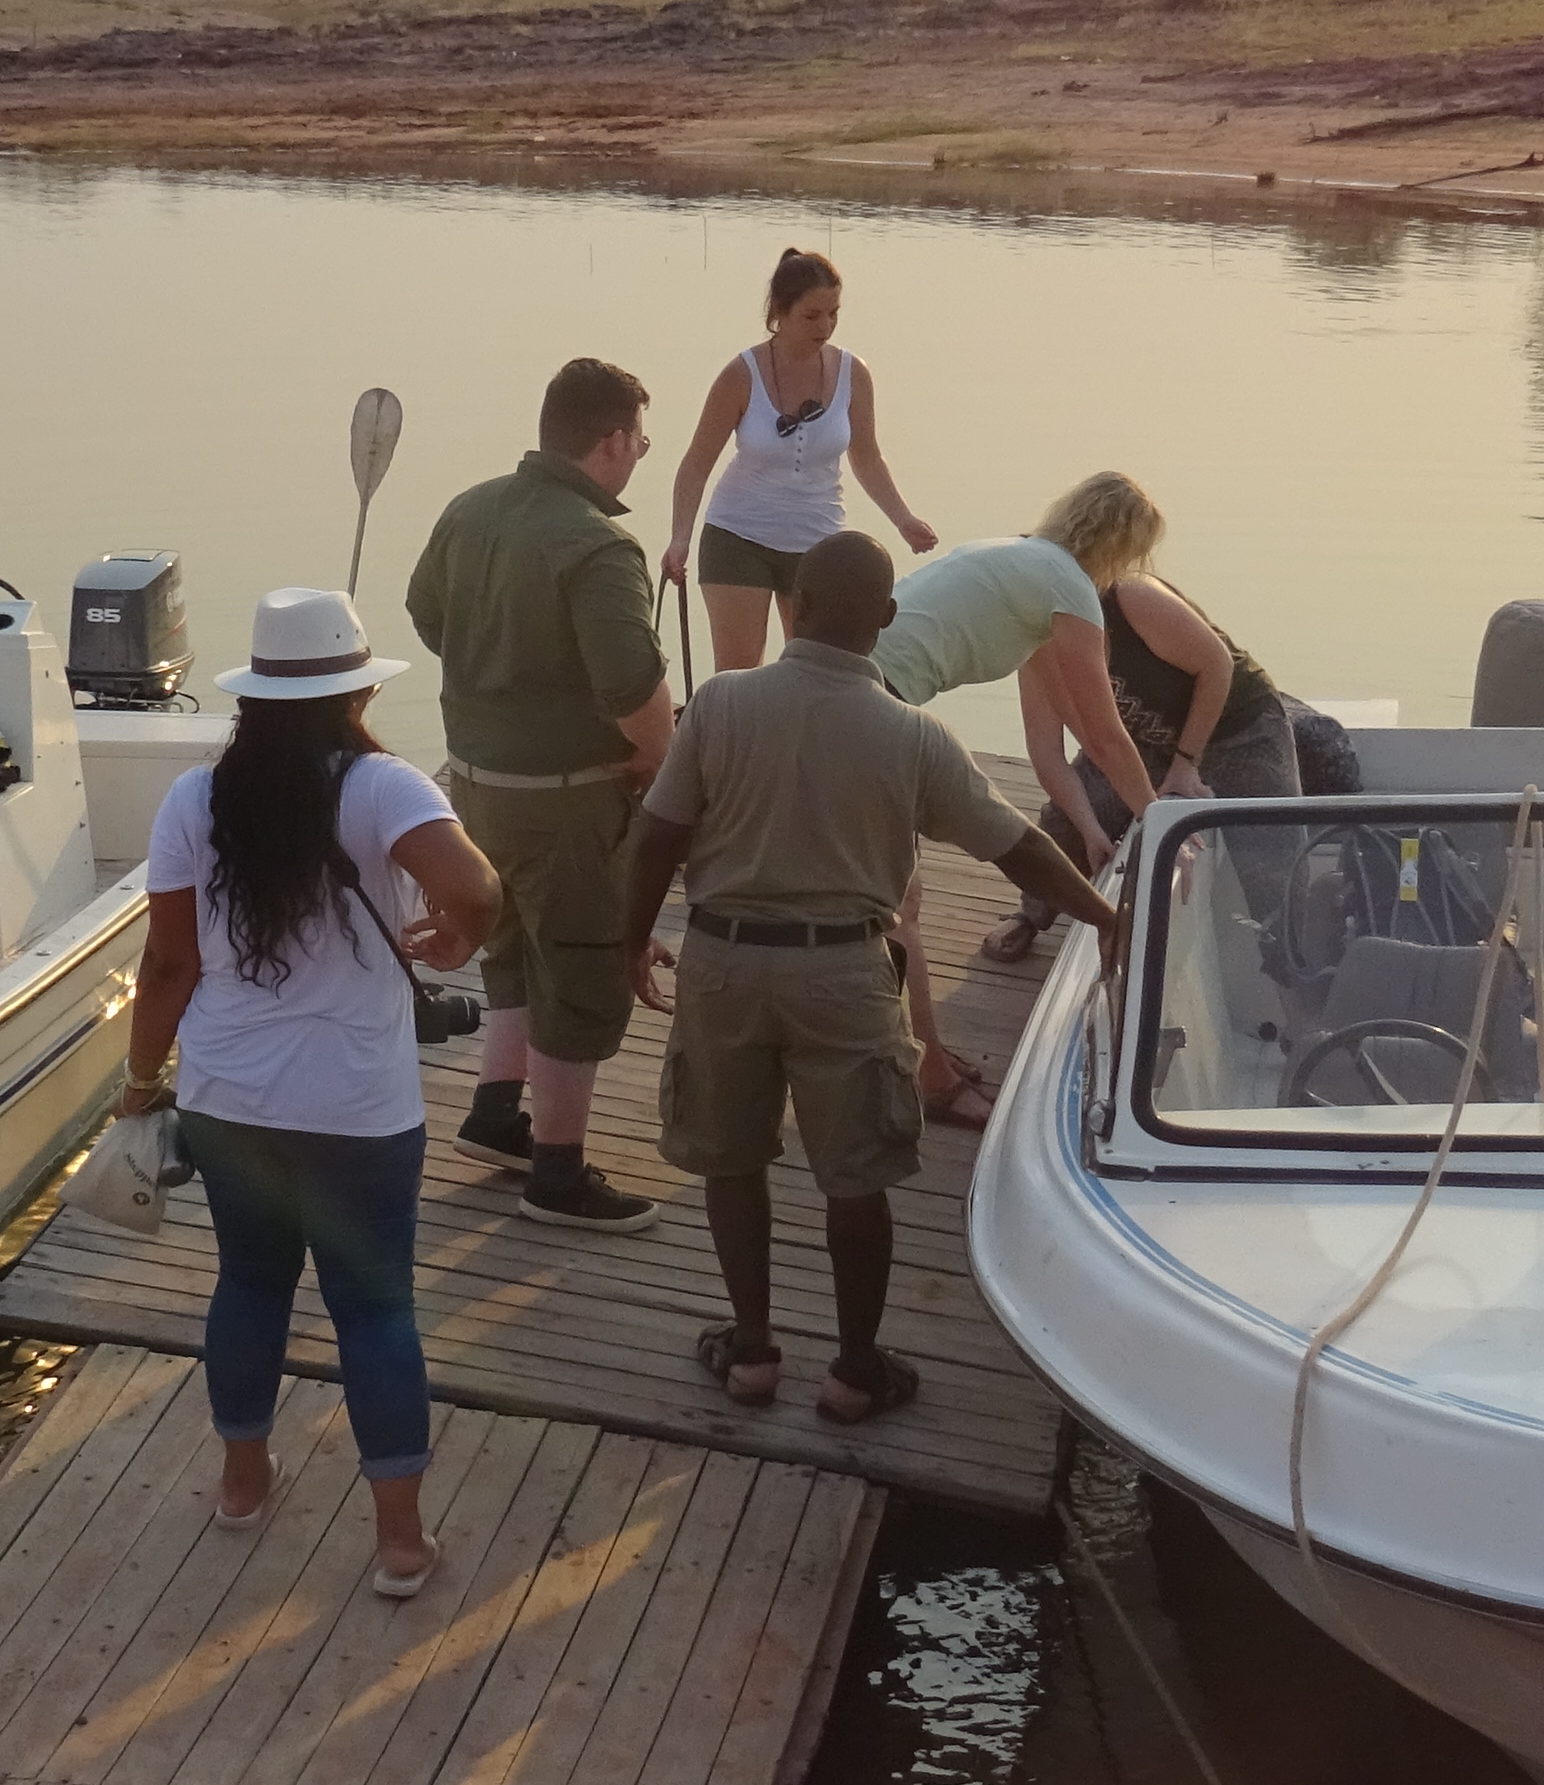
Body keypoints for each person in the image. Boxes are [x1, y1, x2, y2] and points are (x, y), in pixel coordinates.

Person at [624, 533, 1124, 1426]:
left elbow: (658, 837)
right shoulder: (914, 735)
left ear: (797, 606)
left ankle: (751, 1353)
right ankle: (854, 1372)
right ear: (887, 620)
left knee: (732, 1164)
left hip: (723, 965)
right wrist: (1106, 919)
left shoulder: (719, 705)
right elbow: (1019, 848)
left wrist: (628, 940)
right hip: (845, 973)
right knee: (855, 1178)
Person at [121, 589, 506, 1598]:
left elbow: (167, 967)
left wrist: (139, 1081)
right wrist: (461, 937)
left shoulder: (192, 802)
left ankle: (243, 1487)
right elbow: (477, 887)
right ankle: (400, 1546)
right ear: (360, 690)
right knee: (374, 1310)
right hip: (356, 1109)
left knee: (249, 1285)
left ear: (251, 698)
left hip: (229, 1099)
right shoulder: (384, 788)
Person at [400, 356, 679, 1230]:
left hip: (474, 787)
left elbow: (424, 611)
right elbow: (632, 686)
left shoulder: (470, 507)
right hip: (565, 803)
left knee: (513, 950)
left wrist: (498, 678)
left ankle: (494, 1118)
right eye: (639, 437)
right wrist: (664, 763)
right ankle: (557, 1174)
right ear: (609, 442)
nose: (641, 452)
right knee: (584, 973)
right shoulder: (598, 545)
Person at [864, 516, 1161, 1123]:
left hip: (857, 677)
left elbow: (1076, 721)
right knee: (897, 903)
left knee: (897, 901)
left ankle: (921, 1052)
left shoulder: (1020, 564)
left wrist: (1095, 826)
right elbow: (1104, 736)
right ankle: (930, 1078)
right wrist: (1158, 821)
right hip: (879, 702)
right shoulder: (1072, 589)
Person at [989, 470, 1302, 962]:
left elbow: (1216, 666)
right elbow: (1045, 751)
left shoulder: (1132, 597)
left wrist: (1185, 763)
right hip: (1136, 743)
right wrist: (1093, 828)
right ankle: (1032, 912)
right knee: (1064, 824)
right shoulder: (1038, 623)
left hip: (1237, 728)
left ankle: (1295, 974)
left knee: (1273, 861)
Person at [659, 248, 937, 673]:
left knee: (815, 670)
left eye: (833, 314)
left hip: (818, 544)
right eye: (811, 316)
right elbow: (697, 462)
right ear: (779, 312)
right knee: (739, 674)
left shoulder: (853, 372)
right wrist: (680, 538)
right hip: (738, 534)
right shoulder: (740, 373)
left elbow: (867, 455)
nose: (825, 327)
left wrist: (904, 520)